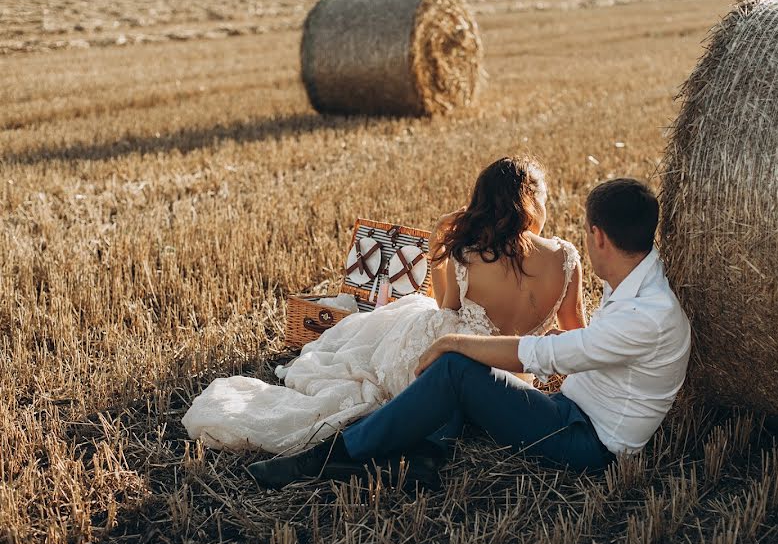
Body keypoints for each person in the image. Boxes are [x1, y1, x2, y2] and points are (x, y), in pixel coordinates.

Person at [247, 178, 692, 490]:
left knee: (456, 368)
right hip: (571, 411)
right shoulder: (640, 282)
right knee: (463, 376)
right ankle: (423, 457)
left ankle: (331, 457)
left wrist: (455, 340)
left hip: (587, 444)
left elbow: (550, 353)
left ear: (597, 236)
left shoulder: (646, 315)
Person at [182, 156, 585, 456]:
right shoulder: (566, 259)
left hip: (457, 353)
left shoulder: (469, 255)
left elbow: (446, 309)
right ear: (532, 203)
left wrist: (439, 240)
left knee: (402, 321)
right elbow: (577, 336)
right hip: (510, 376)